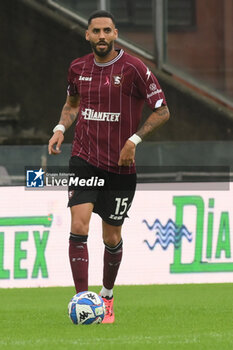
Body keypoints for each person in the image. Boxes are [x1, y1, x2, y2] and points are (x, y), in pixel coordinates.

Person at [48, 10, 170, 324]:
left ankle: (107, 296)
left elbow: (162, 110)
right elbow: (72, 104)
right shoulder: (77, 68)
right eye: (95, 31)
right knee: (79, 225)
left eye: (107, 31)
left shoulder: (134, 68)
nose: (101, 37)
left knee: (112, 236)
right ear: (87, 35)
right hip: (84, 159)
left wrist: (134, 140)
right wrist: (60, 128)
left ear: (115, 33)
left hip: (120, 166)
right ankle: (81, 299)